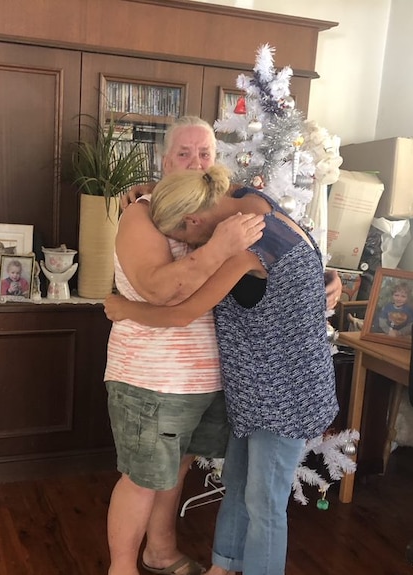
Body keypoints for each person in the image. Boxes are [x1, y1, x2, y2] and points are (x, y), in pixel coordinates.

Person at [105, 165, 338, 575]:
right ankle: (222, 567)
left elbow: (183, 312)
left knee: (265, 503)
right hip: (256, 388)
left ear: (194, 222)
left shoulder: (248, 245)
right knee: (241, 486)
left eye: (184, 241)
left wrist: (125, 309)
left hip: (284, 394)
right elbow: (206, 184)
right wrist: (150, 187)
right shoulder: (252, 202)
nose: (190, 251)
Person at [106, 116, 266, 575]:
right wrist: (220, 247)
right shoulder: (144, 213)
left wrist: (326, 281)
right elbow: (159, 290)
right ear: (164, 160)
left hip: (205, 378)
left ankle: (160, 552)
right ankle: (121, 569)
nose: (195, 162)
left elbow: (282, 242)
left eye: (205, 154)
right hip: (149, 379)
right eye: (184, 153)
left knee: (174, 474)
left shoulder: (224, 211)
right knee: (141, 479)